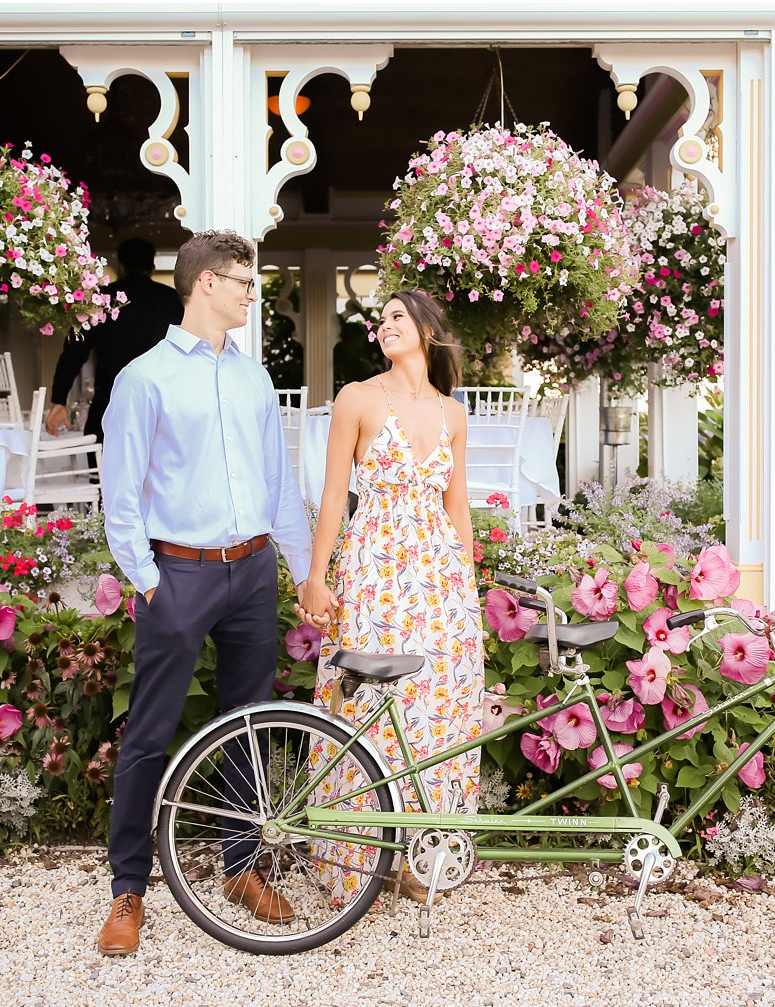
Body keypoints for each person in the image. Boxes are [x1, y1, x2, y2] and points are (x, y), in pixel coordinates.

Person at [96, 228, 334, 957]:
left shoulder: (254, 378)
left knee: (250, 727)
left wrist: (302, 570)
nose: (249, 290)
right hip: (179, 573)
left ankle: (240, 867)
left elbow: (278, 486)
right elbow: (122, 493)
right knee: (149, 731)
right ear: (204, 283)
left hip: (252, 570)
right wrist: (147, 580)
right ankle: (128, 889)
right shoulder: (145, 378)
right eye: (240, 279)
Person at [301, 290, 484, 905]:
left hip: (440, 580)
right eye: (380, 321)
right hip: (375, 567)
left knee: (435, 712)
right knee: (371, 708)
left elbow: (457, 508)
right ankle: (357, 865)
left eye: (398, 318)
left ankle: (419, 858)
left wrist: (470, 591)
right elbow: (333, 497)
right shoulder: (357, 398)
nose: (384, 328)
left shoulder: (453, 414)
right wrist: (317, 575)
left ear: (429, 330)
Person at [45, 237, 184, 441]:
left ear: (120, 266)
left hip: (110, 401)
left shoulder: (100, 298)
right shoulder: (172, 300)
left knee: (101, 466)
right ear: (152, 266)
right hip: (161, 404)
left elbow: (74, 352)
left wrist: (59, 400)